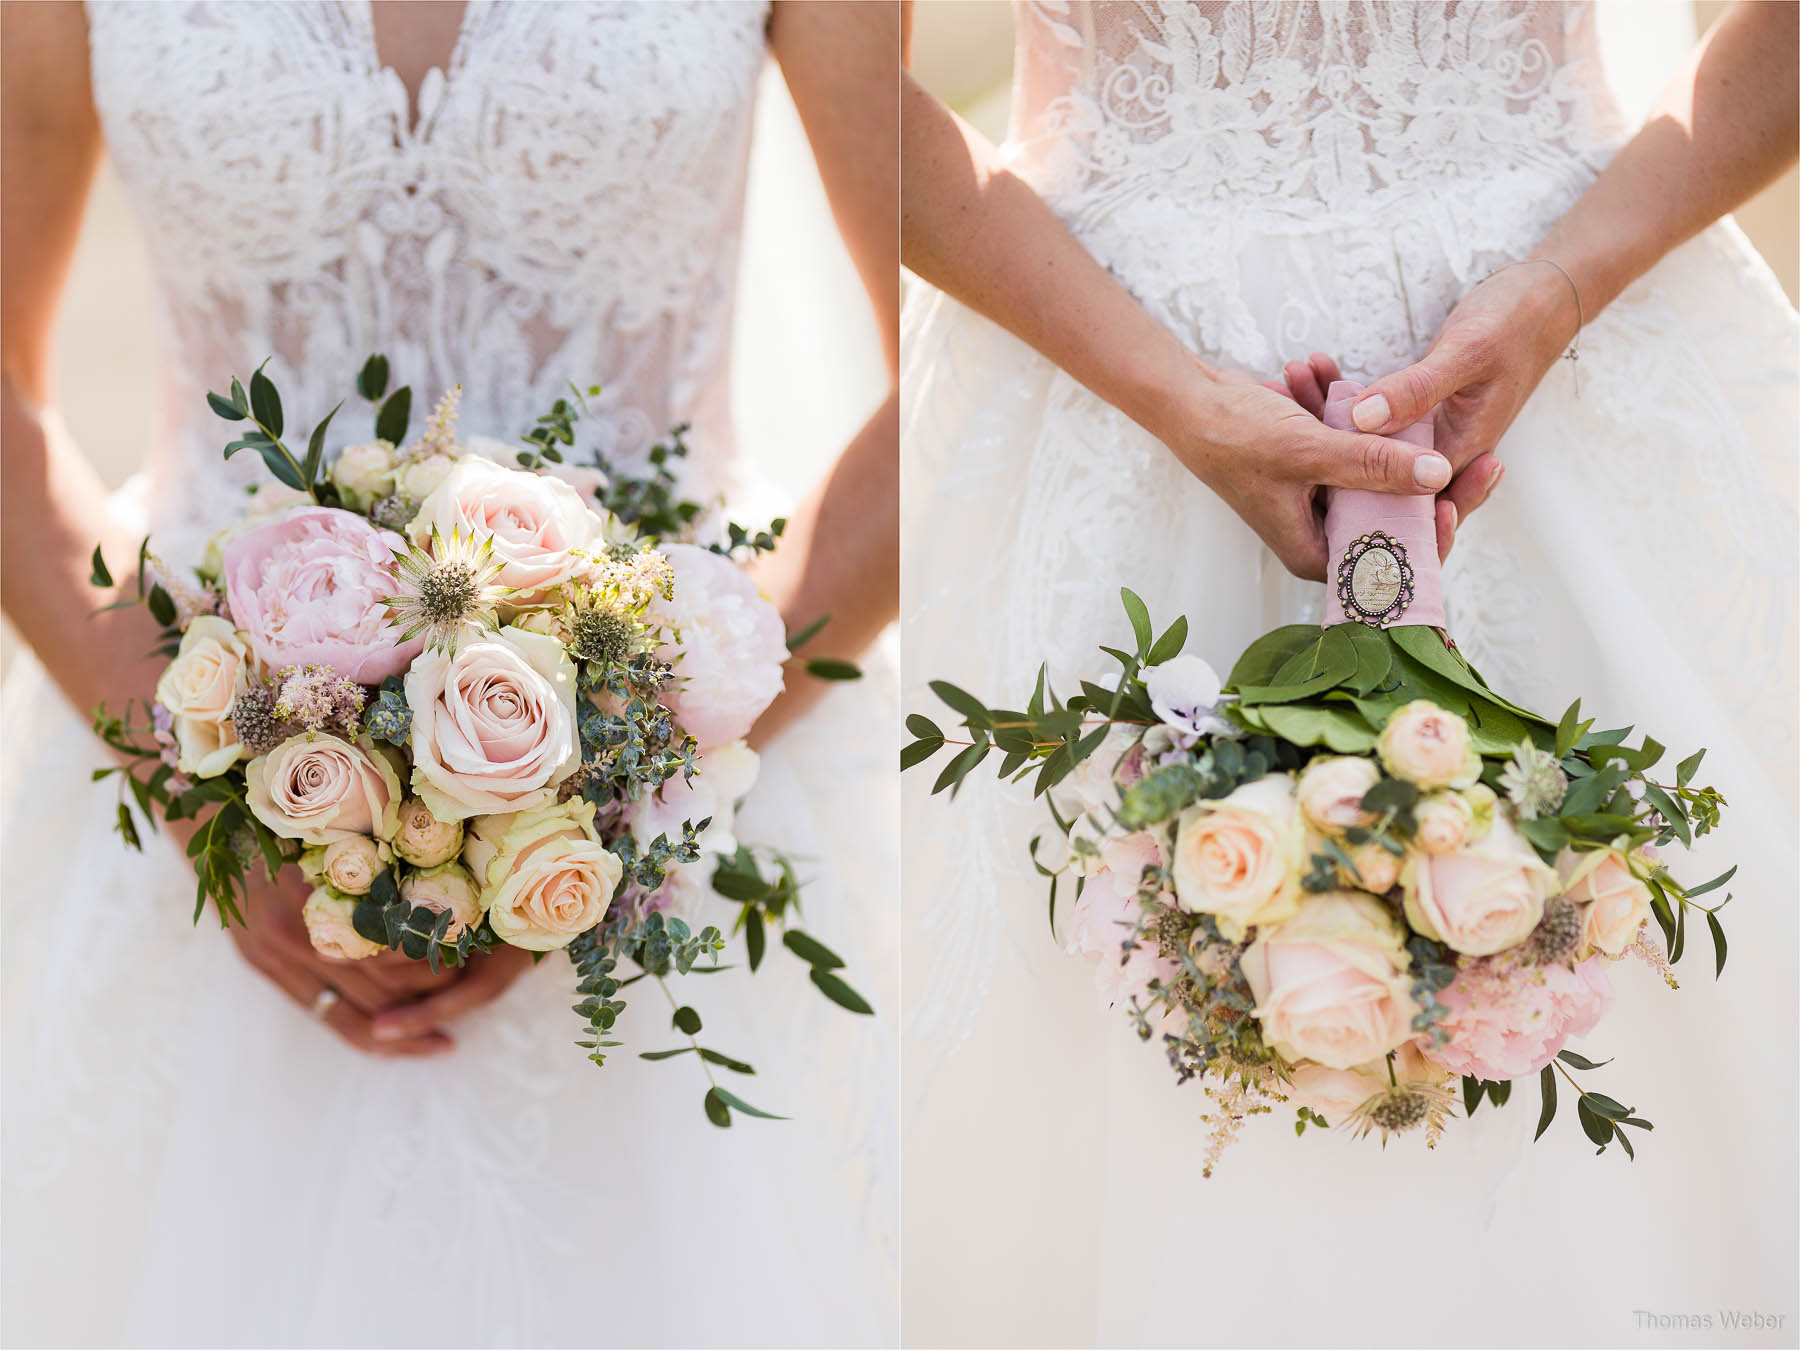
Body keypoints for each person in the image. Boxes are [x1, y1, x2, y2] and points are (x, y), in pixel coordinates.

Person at [2, 3, 898, 1345]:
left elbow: (956, 363)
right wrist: (181, 767)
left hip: (695, 791)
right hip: (190, 790)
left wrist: (622, 764)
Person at [900, 2, 1796, 1343]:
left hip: (1581, 359)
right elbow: (853, 77)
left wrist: (1559, 288)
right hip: (1105, 383)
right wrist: (1174, 397)